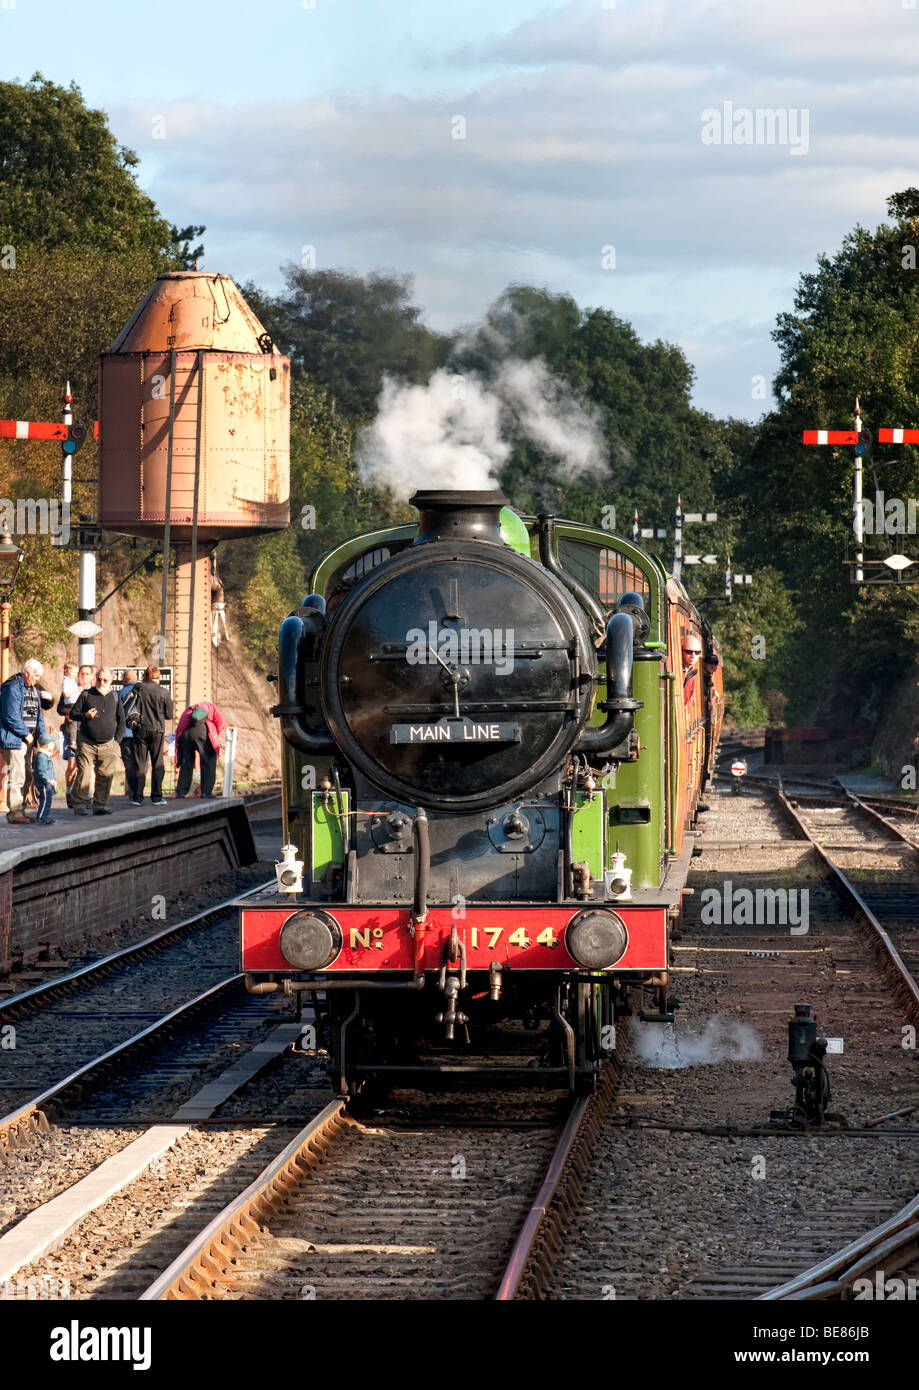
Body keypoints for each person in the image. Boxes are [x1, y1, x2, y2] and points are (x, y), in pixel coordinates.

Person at [68, 667, 125, 816]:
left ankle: (99, 805)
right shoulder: (87, 694)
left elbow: (121, 721)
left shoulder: (115, 697)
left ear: (111, 681)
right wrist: (85, 715)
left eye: (105, 679)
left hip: (108, 744)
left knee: (105, 776)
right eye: (99, 678)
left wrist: (116, 741)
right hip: (87, 742)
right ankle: (79, 805)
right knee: (84, 774)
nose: (101, 682)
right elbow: (73, 714)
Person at [0, 658, 49, 825]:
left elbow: (38, 716)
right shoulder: (12, 687)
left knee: (27, 774)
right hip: (14, 739)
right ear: (26, 672)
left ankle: (21, 809)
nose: (37, 679)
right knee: (17, 775)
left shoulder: (34, 689)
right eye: (35, 675)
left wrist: (42, 737)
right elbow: (10, 716)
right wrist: (26, 734)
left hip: (28, 740)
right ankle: (14, 812)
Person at [130, 666, 174, 805]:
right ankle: (157, 797)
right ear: (158, 677)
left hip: (140, 730)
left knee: (140, 764)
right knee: (157, 763)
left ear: (145, 676)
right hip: (157, 730)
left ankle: (137, 797)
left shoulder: (138, 688)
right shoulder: (164, 692)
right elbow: (169, 715)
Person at [175, 700, 226, 799]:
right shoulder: (212, 707)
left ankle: (181, 792)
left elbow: (179, 728)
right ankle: (206, 792)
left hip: (185, 733)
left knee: (186, 763)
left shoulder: (188, 711)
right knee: (208, 761)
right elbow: (221, 723)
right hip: (202, 731)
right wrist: (215, 735)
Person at [58, 663, 93, 806]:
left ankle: (89, 795)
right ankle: (69, 792)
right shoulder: (71, 688)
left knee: (90, 766)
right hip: (71, 730)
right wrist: (69, 713)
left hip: (87, 731)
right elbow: (60, 708)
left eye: (86, 674)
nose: (83, 676)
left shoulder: (93, 692)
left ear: (91, 676)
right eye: (81, 673)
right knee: (72, 765)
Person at [117, 667, 140, 802]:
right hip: (139, 733)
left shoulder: (120, 693)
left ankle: (132, 792)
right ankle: (140, 791)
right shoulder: (141, 692)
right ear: (136, 679)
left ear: (124, 680)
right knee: (141, 763)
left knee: (129, 763)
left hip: (125, 734)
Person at [32, 732, 58, 825]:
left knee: (47, 801)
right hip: (44, 784)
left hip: (47, 783)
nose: (53, 746)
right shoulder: (42, 757)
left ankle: (44, 816)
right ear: (47, 745)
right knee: (45, 801)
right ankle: (41, 817)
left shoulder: (45, 755)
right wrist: (48, 780)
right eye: (52, 744)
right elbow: (42, 770)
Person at [682, 634, 702, 704]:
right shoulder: (676, 670)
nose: (693, 656)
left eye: (697, 652)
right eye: (689, 652)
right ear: (681, 651)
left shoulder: (692, 672)